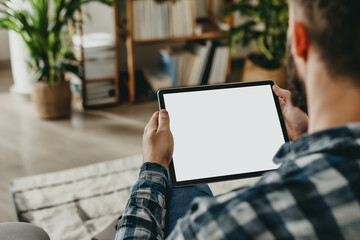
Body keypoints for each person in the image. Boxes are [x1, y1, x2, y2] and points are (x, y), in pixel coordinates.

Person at [115, 0, 360, 239]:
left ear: (299, 39)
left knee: (174, 176)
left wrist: (153, 166)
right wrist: (305, 137)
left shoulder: (220, 224)